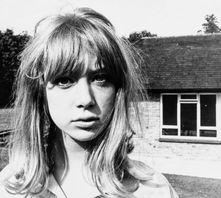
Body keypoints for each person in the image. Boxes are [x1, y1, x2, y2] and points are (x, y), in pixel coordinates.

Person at [0, 7, 178, 198]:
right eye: (64, 80)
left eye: (100, 78)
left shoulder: (153, 189)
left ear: (118, 89)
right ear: (40, 92)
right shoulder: (10, 188)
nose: (85, 99)